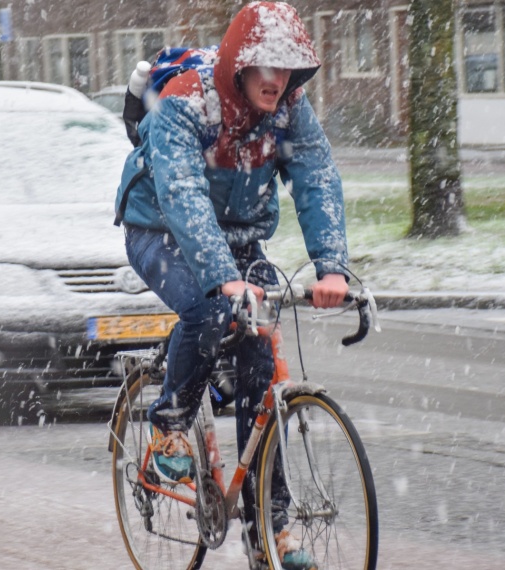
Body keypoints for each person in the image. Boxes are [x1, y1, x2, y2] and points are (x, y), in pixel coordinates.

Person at [115, 2, 348, 566]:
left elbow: (316, 175)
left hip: (240, 238)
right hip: (159, 229)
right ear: (239, 67)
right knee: (208, 312)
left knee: (260, 363)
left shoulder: (291, 110)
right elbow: (183, 198)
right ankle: (169, 429)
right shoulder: (186, 104)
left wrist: (332, 266)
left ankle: (269, 526)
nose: (275, 80)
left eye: (286, 67)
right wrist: (223, 281)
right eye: (263, 67)